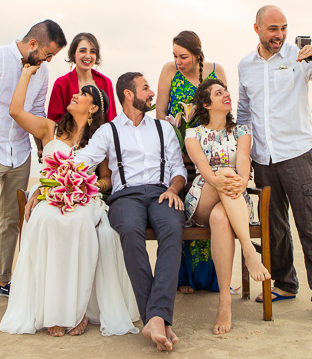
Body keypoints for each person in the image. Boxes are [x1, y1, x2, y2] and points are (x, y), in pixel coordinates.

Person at [0, 63, 139, 337]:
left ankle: (78, 311)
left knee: (79, 223)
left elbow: (107, 179)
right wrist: (27, 73)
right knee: (47, 220)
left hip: (84, 199)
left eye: (84, 93)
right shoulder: (49, 130)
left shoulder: (100, 138)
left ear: (94, 108)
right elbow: (15, 111)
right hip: (50, 197)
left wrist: (85, 184)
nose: (76, 94)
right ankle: (54, 311)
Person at [237, 5, 312, 322]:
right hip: (263, 159)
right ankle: (285, 285)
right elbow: (244, 115)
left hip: (298, 154)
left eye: (284, 28)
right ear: (257, 29)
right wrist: (243, 156)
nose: (280, 35)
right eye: (273, 29)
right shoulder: (245, 65)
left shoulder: (300, 58)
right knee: (275, 228)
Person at [0, 20, 66, 316]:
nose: (48, 61)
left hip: (20, 153)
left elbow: (35, 112)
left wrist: (43, 149)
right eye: (48, 54)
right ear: (34, 44)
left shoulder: (41, 72)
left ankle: (3, 280)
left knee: (12, 221)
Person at [77, 72, 186, 351]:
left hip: (163, 193)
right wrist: (48, 179)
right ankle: (158, 317)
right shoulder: (108, 131)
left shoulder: (163, 128)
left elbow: (178, 169)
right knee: (129, 230)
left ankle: (155, 317)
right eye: (145, 88)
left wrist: (173, 189)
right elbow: (84, 161)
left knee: (173, 229)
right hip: (126, 196)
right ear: (128, 94)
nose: (151, 93)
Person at [183, 78, 271, 335]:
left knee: (221, 218)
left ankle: (224, 302)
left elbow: (243, 161)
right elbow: (204, 170)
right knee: (222, 175)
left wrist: (242, 182)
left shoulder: (242, 131)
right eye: (218, 93)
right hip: (203, 196)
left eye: (226, 91)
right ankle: (249, 250)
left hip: (233, 197)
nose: (226, 95)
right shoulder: (193, 134)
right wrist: (225, 179)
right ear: (206, 104)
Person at [155, 31, 227, 294]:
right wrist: (175, 141)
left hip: (209, 154)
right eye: (174, 56)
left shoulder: (216, 71)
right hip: (178, 155)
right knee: (182, 215)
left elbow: (223, 109)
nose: (178, 62)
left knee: (209, 216)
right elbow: (161, 113)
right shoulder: (168, 72)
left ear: (197, 54)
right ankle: (184, 278)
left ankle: (214, 278)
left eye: (183, 56)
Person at [48, 32, 118, 123]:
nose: (88, 56)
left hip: (101, 136)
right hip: (68, 136)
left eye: (92, 51)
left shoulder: (105, 82)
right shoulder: (62, 83)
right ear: (73, 54)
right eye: (82, 51)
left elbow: (111, 119)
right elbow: (53, 121)